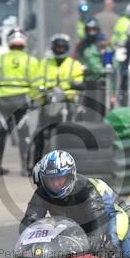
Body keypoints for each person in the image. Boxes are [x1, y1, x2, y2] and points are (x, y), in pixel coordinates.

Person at [0, 27, 42, 176]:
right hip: (22, 100)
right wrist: (34, 100)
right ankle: (25, 168)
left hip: (2, 100)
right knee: (24, 133)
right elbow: (36, 84)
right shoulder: (31, 60)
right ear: (24, 42)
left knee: (0, 133)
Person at [31, 33, 85, 166]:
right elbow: (36, 81)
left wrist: (72, 91)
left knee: (74, 131)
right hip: (48, 101)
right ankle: (35, 164)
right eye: (57, 47)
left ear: (66, 48)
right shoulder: (44, 63)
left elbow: (79, 81)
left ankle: (75, 162)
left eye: (62, 47)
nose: (60, 49)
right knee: (40, 132)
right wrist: (39, 91)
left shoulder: (74, 64)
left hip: (68, 102)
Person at [75, 18, 109, 118]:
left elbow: (111, 62)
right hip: (87, 81)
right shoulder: (82, 45)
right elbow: (78, 60)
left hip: (102, 81)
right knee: (88, 111)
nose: (92, 32)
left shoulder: (102, 44)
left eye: (94, 30)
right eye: (89, 30)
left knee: (101, 111)